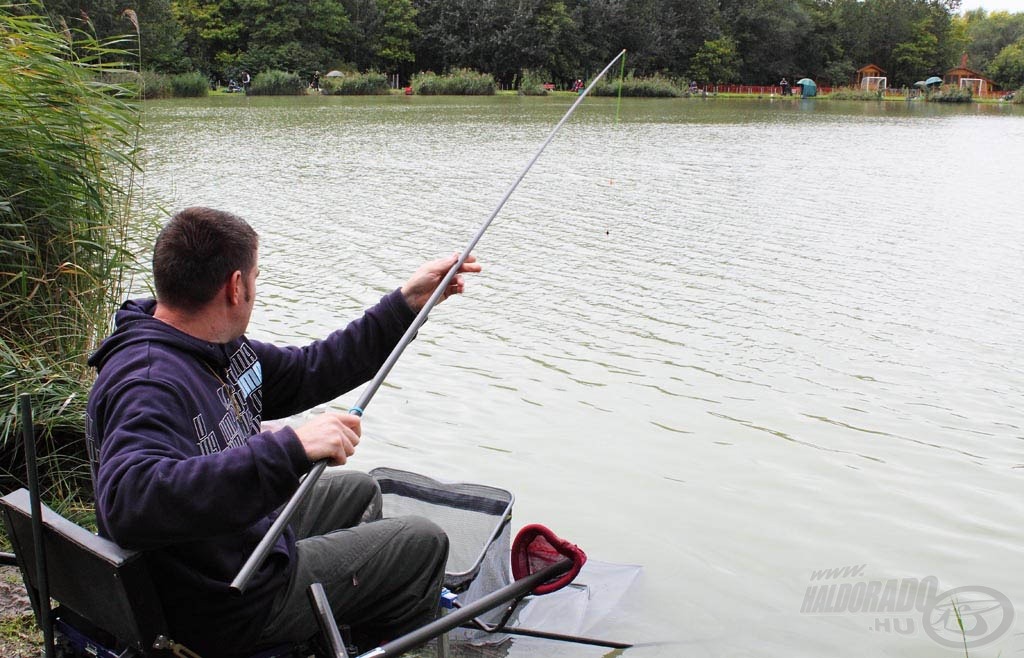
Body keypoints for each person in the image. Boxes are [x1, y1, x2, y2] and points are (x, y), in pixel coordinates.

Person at [86, 206, 482, 656]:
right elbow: (129, 501)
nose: (256, 286)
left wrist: (404, 304)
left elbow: (311, 369)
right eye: (256, 275)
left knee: (357, 489)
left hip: (224, 547)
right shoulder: (150, 380)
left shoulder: (215, 350)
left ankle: (338, 630)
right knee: (421, 542)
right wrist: (288, 449)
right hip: (225, 601)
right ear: (236, 286)